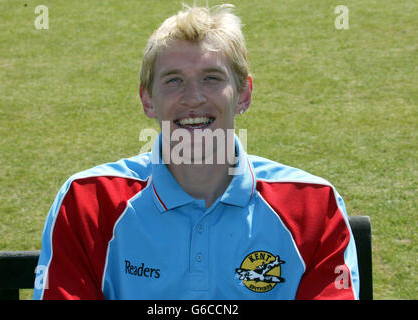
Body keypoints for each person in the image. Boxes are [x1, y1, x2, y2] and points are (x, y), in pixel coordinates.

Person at [33, 4, 359, 300]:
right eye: (174, 80)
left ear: (244, 94)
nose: (193, 98)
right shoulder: (86, 201)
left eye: (211, 78)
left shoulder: (315, 207)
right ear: (148, 100)